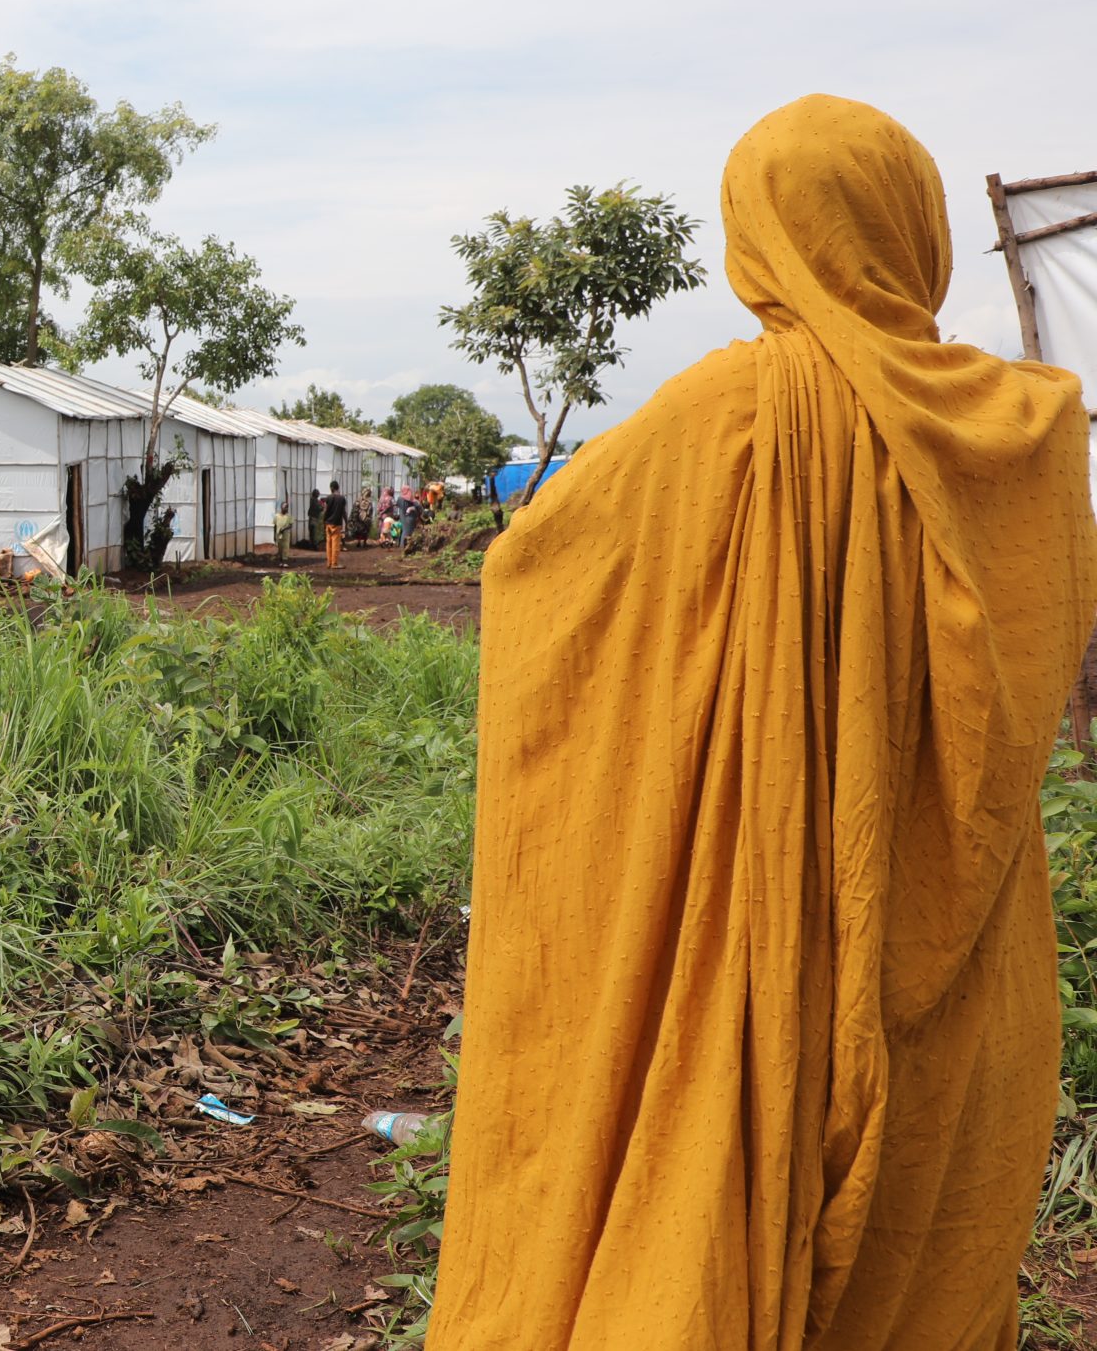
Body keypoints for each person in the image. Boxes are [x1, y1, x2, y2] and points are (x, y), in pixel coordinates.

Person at [432, 96, 1097, 1349]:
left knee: (741, 1179)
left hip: (765, 926)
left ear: (757, 233)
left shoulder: (714, 420)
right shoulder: (1029, 432)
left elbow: (533, 579)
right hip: (970, 963)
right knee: (927, 1254)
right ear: (913, 226)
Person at [320, 480, 347, 568]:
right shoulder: (342, 499)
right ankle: (334, 563)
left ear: (331, 488)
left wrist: (323, 521)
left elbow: (325, 511)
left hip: (328, 523)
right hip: (336, 523)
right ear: (338, 488)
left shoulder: (328, 498)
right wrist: (346, 521)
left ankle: (329, 563)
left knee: (329, 544)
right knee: (335, 543)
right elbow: (343, 512)